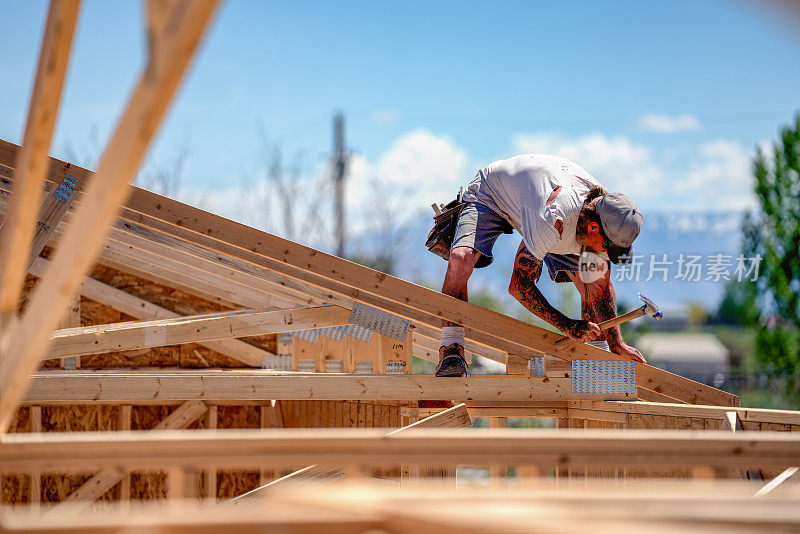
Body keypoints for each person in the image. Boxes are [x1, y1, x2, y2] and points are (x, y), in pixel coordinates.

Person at [436, 154, 646, 377]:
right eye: (608, 247)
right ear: (593, 228)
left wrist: (617, 344)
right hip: (493, 194)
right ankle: (451, 347)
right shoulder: (552, 217)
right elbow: (519, 286)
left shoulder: (608, 213)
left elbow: (601, 291)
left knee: (591, 279)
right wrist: (566, 325)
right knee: (461, 258)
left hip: (538, 205)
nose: (606, 253)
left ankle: (597, 359)